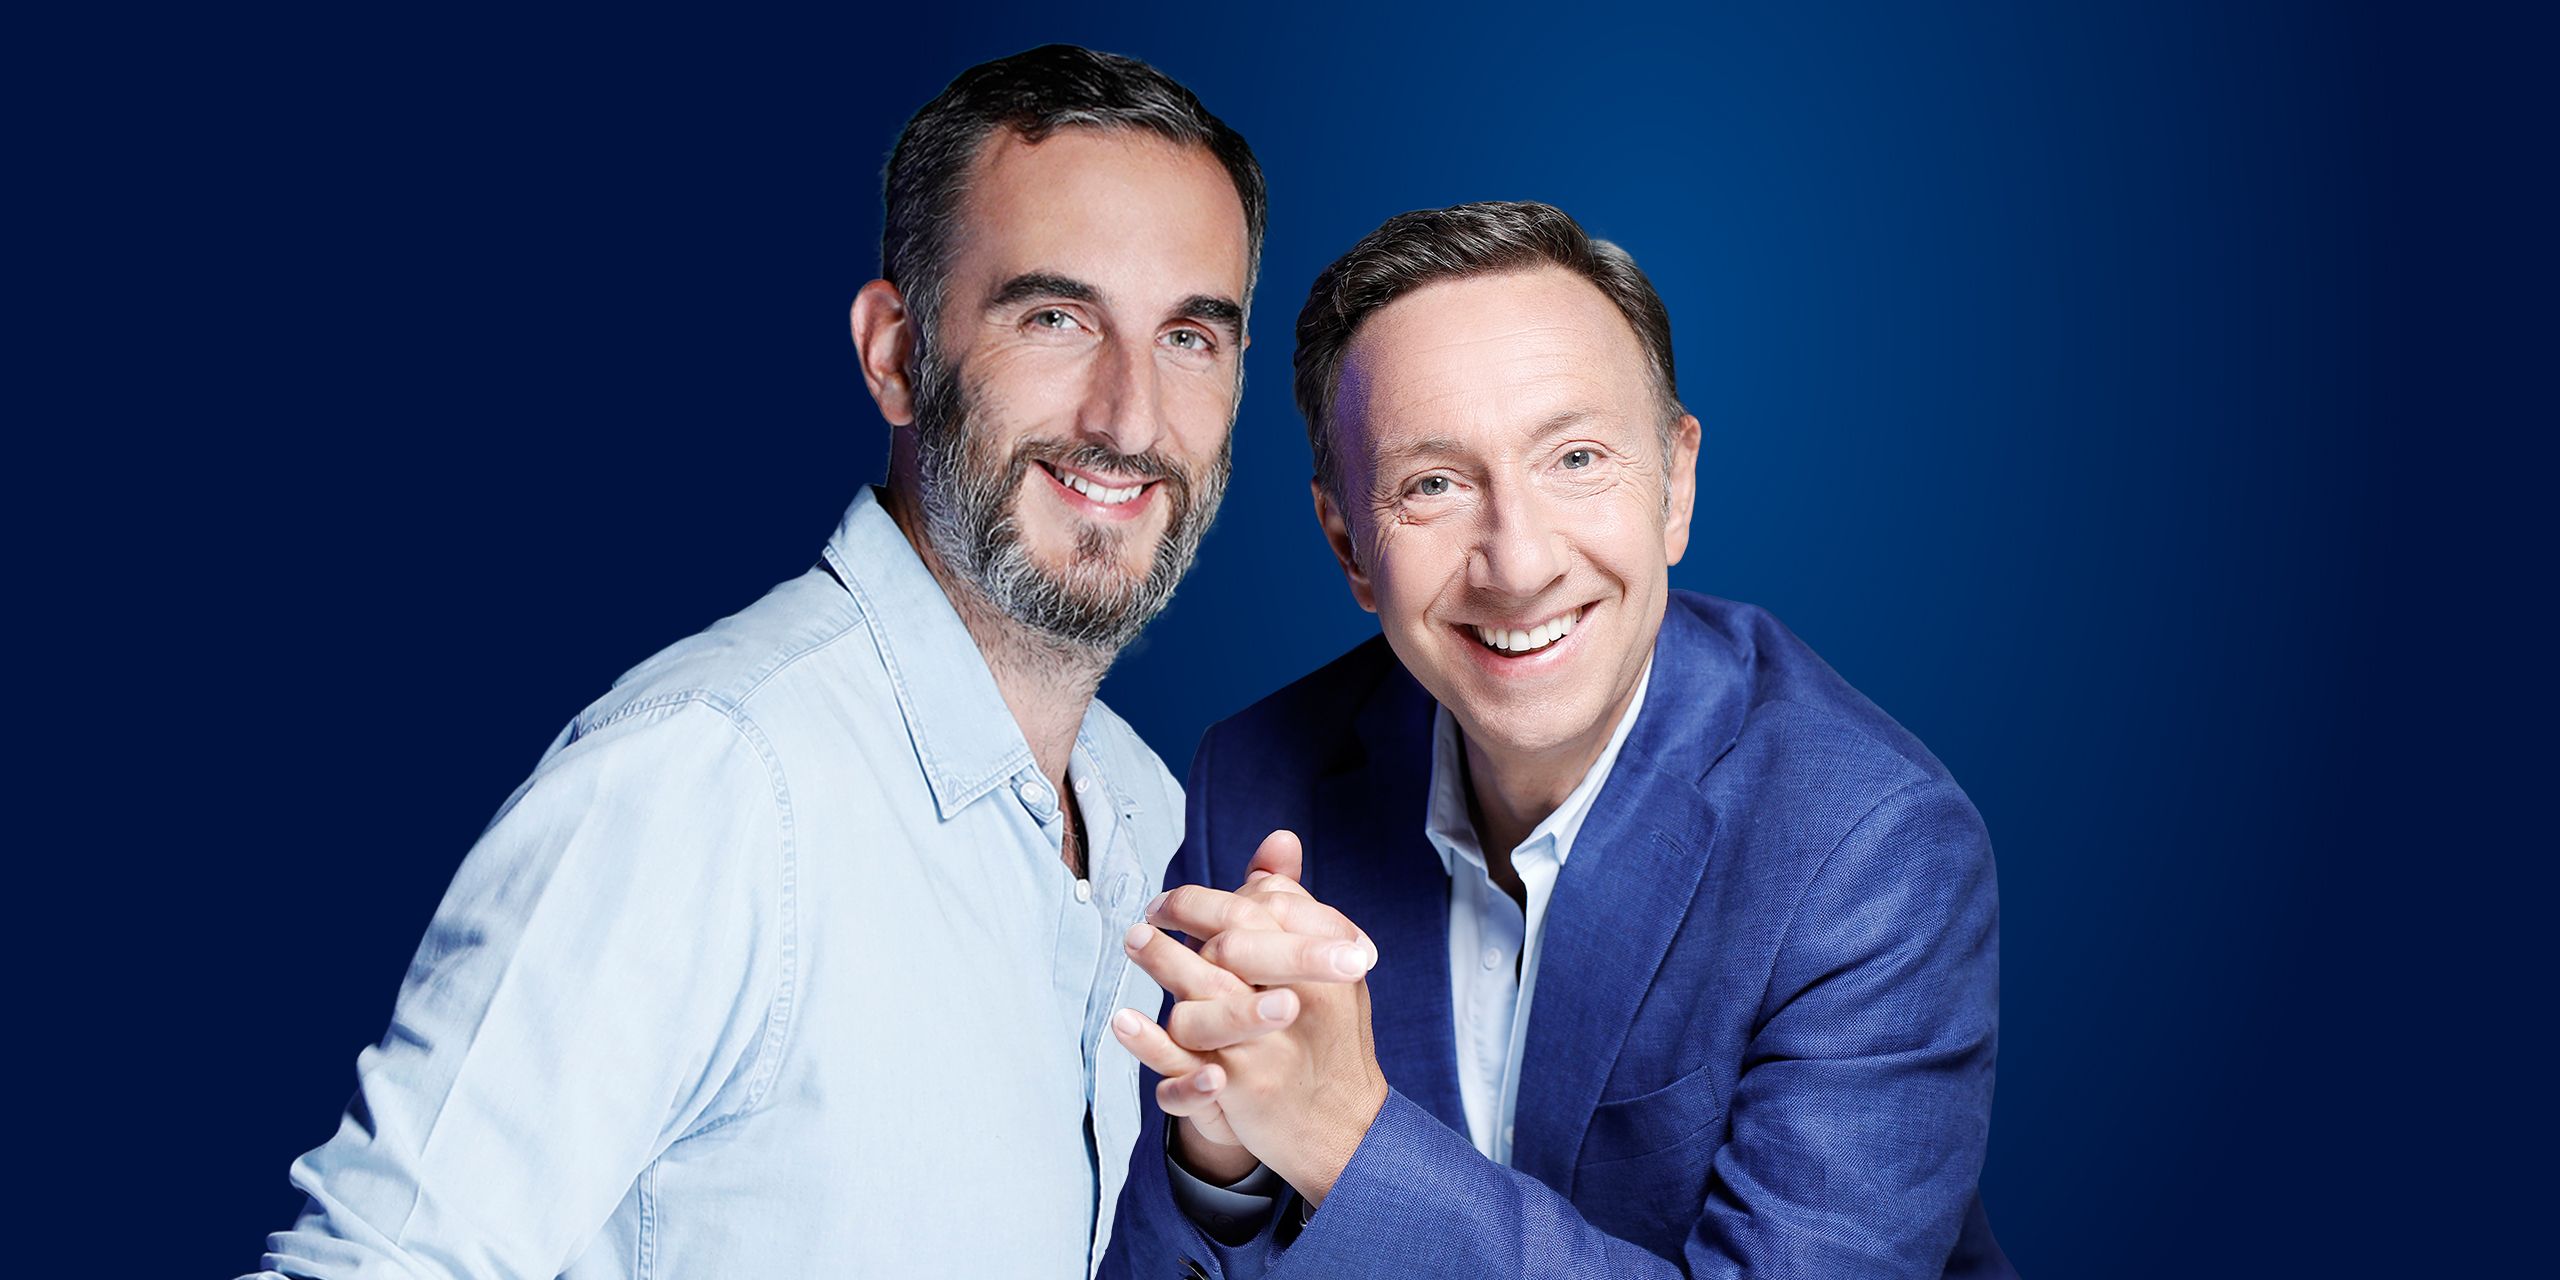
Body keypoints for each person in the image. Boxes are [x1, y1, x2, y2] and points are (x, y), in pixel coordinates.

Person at [249, 44, 1270, 1279]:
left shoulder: (1150, 817)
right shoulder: (710, 780)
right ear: (894, 354)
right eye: (1054, 318)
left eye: (1189, 337)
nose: (1129, 417)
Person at [1103, 201, 2016, 1278]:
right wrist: (1223, 1159)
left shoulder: (1871, 851)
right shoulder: (1257, 783)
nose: (1520, 562)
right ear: (1349, 546)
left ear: (1675, 485)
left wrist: (1341, 1142)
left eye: (1576, 458)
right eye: (1433, 484)